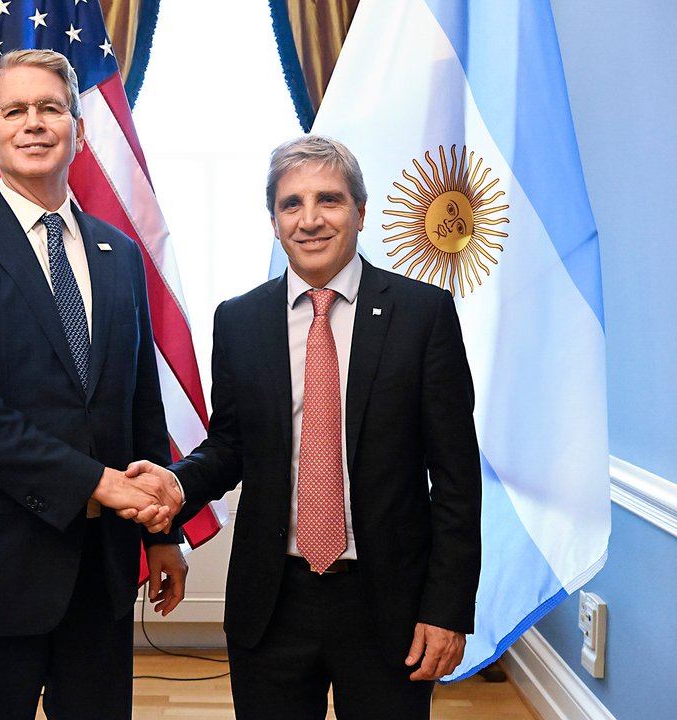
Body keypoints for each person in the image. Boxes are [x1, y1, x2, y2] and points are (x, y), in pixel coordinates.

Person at [125, 135, 481, 719]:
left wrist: (447, 608)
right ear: (273, 221)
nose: (310, 219)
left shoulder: (423, 315)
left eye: (329, 200)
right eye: (292, 204)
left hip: (389, 602)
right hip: (272, 601)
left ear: (360, 211)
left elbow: (457, 480)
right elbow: (231, 445)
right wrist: (180, 484)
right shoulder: (239, 320)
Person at [0, 49, 185, 720]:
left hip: (99, 573)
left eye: (51, 108)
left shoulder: (120, 255)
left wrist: (160, 534)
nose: (33, 123)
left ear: (78, 130)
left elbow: (140, 403)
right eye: (14, 111)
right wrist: (96, 482)